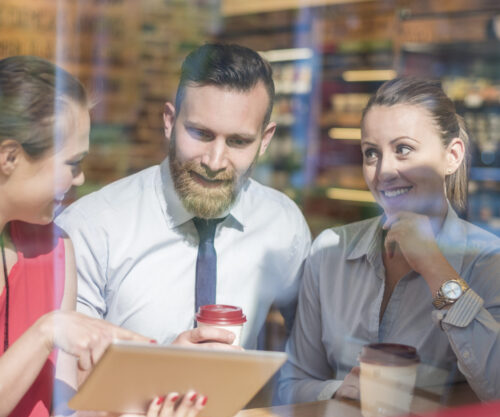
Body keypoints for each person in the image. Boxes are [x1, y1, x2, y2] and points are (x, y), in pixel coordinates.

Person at [0, 55, 207, 417]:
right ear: (10, 157)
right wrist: (45, 332)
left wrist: (122, 411)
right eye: (73, 162)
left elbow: (50, 413)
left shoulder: (58, 251)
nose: (80, 178)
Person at [56, 43, 311, 349]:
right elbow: (65, 375)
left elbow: (307, 359)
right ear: (169, 122)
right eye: (201, 134)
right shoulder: (92, 226)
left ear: (265, 140)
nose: (215, 162)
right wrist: (162, 370)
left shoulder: (282, 223)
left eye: (238, 141)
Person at [278, 77, 500, 404]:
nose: (384, 171)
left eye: (404, 149)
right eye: (371, 153)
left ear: (452, 155)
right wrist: (339, 391)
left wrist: (435, 268)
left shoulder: (487, 260)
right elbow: (291, 384)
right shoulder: (329, 252)